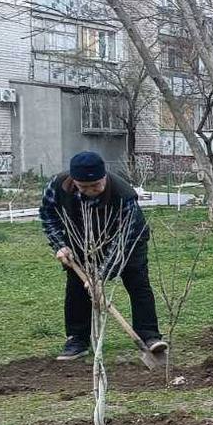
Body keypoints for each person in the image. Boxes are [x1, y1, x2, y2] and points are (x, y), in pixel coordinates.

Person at [39, 151, 167, 361]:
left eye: (95, 186)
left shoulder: (123, 195)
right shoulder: (58, 185)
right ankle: (77, 340)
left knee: (138, 283)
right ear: (74, 180)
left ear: (104, 177)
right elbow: (48, 213)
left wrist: (100, 275)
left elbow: (121, 243)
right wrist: (59, 245)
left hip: (128, 241)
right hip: (81, 239)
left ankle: (149, 336)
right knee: (76, 286)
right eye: (83, 187)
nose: (90, 191)